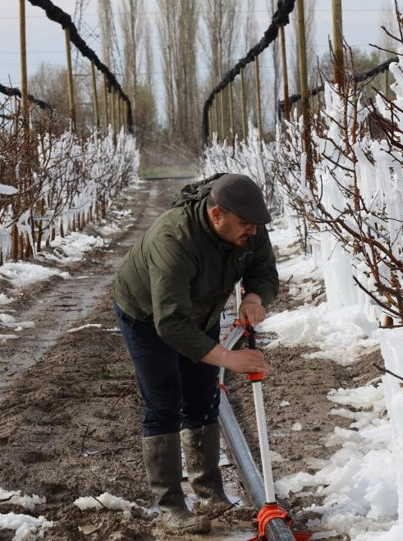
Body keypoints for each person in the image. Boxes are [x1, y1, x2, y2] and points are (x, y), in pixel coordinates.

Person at [113, 172, 279, 535]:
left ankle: (209, 492)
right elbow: (169, 322)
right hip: (148, 316)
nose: (252, 232)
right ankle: (170, 504)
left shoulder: (248, 224)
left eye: (255, 226)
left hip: (200, 311)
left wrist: (254, 296)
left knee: (203, 397)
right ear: (216, 214)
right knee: (164, 400)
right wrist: (226, 358)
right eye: (245, 225)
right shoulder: (173, 238)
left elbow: (264, 270)